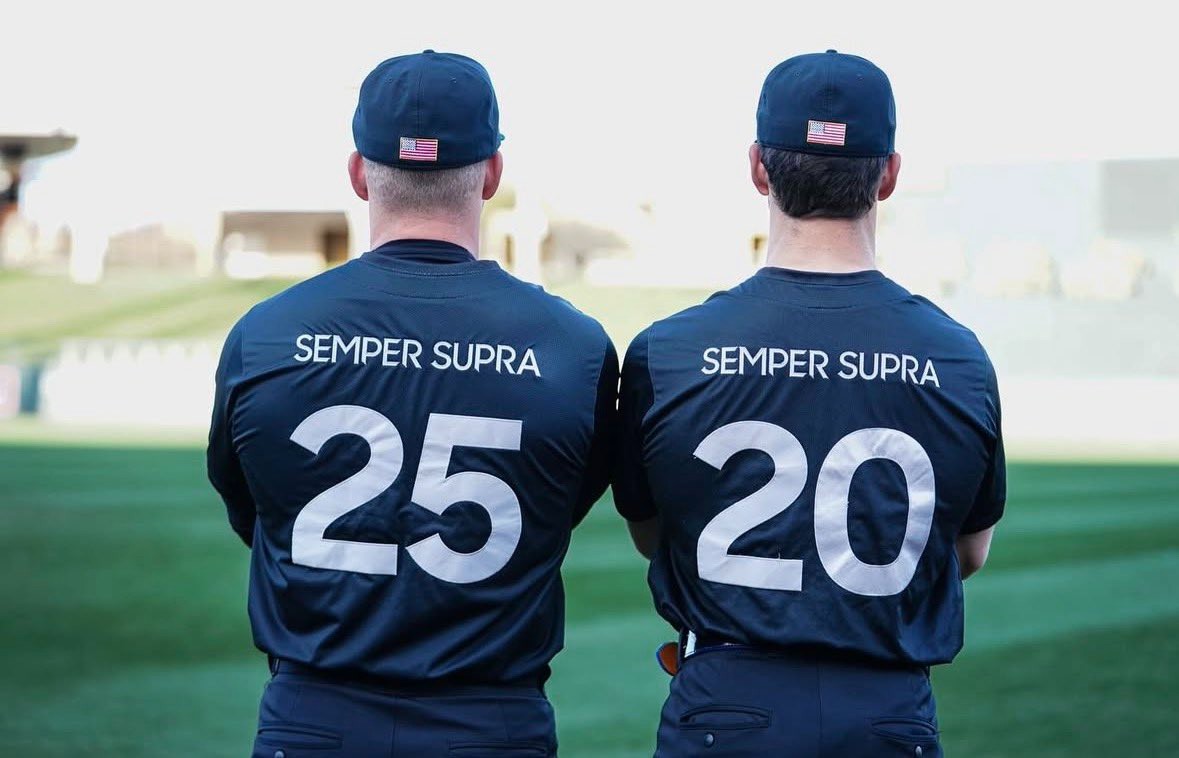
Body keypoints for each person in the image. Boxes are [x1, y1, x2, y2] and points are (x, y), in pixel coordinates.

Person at [207, 50, 617, 758]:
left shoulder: (267, 332)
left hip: (313, 718)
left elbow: (254, 511)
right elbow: (560, 508)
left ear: (358, 173)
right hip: (491, 724)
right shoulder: (572, 346)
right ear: (492, 174)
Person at [613, 50, 1004, 757]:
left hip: (725, 705)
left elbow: (653, 533)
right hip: (886, 710)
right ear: (888, 175)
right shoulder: (958, 358)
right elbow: (969, 551)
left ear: (758, 168)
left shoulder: (665, 351)